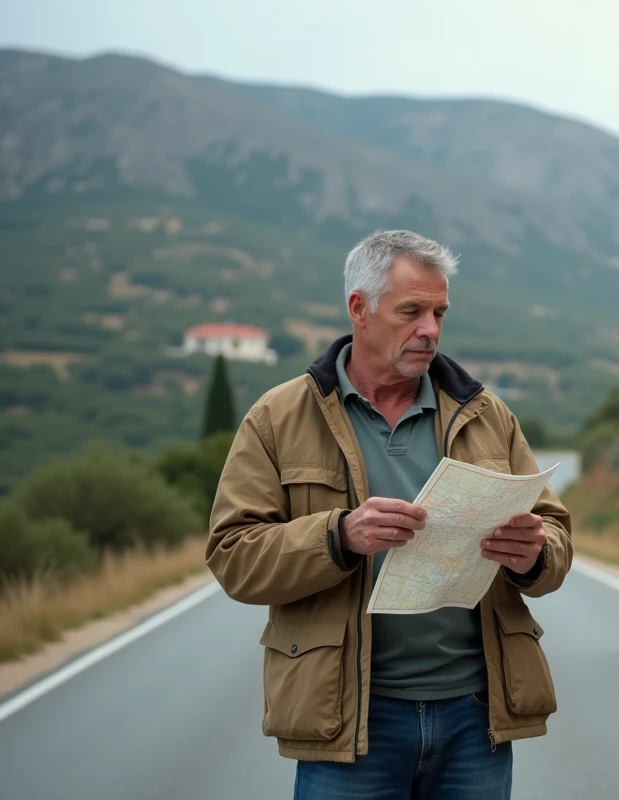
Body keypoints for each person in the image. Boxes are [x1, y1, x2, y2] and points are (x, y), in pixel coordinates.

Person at [206, 229, 572, 799]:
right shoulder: (276, 417)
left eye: (439, 312)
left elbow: (554, 536)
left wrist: (535, 554)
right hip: (352, 722)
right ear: (360, 308)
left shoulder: (488, 414)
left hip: (476, 719)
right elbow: (233, 556)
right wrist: (340, 536)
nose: (431, 329)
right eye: (411, 311)